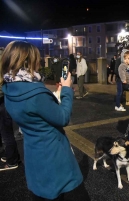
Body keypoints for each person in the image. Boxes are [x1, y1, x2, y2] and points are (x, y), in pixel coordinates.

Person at [1, 41, 83, 200]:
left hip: (33, 155)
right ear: (28, 62)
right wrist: (66, 89)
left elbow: (36, 115)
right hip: (55, 156)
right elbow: (63, 117)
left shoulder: (9, 88)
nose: (40, 62)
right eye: (37, 58)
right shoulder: (36, 92)